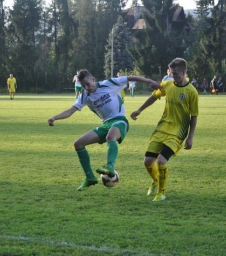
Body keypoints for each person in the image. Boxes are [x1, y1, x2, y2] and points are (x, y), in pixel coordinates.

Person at [48, 69, 160, 191]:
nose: (86, 87)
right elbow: (70, 111)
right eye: (83, 85)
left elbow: (130, 78)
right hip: (106, 124)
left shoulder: (109, 83)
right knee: (78, 144)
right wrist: (55, 117)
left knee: (110, 137)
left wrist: (149, 81)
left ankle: (110, 167)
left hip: (120, 120)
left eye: (88, 83)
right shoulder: (84, 96)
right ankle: (89, 177)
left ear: (93, 79)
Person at [130, 58, 199, 202]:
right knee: (148, 162)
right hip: (162, 128)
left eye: (175, 74)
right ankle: (155, 180)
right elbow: (153, 97)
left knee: (161, 161)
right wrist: (139, 110)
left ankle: (161, 193)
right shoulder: (167, 85)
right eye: (171, 74)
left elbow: (194, 115)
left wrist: (191, 137)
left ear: (184, 72)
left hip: (178, 131)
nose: (173, 76)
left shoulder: (192, 92)